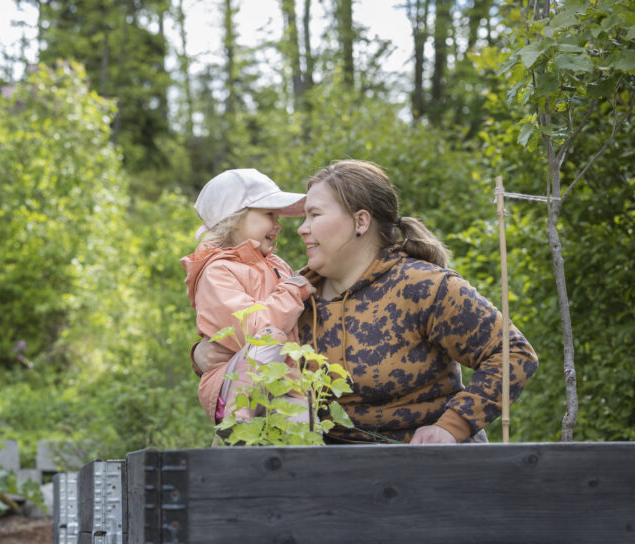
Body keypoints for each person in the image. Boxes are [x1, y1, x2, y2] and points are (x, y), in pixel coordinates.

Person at [192, 160, 539, 444]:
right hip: (328, 488)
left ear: (360, 221)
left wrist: (452, 427)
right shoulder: (295, 294)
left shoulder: (422, 286)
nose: (299, 229)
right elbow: (240, 330)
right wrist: (201, 355)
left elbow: (513, 354)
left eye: (314, 215)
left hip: (429, 478)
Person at [182, 168, 315, 434]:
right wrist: (293, 290)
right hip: (232, 381)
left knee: (307, 431)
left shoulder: (277, 265)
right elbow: (250, 330)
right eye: (269, 215)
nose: (278, 225)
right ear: (234, 218)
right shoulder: (217, 271)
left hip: (282, 381)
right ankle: (234, 415)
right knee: (270, 338)